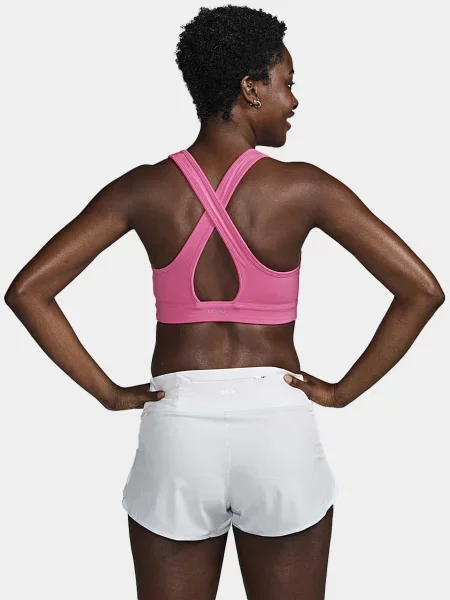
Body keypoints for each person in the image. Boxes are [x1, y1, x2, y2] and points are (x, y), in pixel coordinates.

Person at [4, 5, 445, 600]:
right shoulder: (305, 188)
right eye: (287, 83)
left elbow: (29, 290)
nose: (294, 101)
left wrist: (109, 394)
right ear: (250, 89)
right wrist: (343, 392)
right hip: (277, 425)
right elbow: (422, 290)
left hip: (178, 426)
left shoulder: (143, 188)